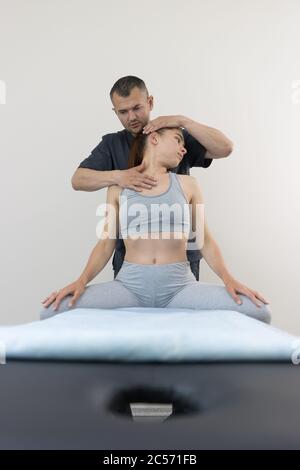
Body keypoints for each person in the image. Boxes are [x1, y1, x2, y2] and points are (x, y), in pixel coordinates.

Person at [41, 127, 271, 324]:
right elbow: (105, 244)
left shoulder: (189, 184)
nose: (184, 149)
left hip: (180, 286)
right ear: (154, 138)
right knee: (50, 311)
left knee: (259, 312)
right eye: (178, 140)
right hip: (129, 286)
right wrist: (81, 281)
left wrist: (228, 279)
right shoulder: (117, 188)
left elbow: (204, 240)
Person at [71, 75, 234, 281]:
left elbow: (225, 148)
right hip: (130, 262)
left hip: (182, 260)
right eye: (123, 112)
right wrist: (119, 176)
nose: (131, 117)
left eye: (137, 108)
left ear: (150, 102)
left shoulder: (175, 138)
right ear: (115, 112)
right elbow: (78, 180)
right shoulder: (112, 144)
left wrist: (183, 121)